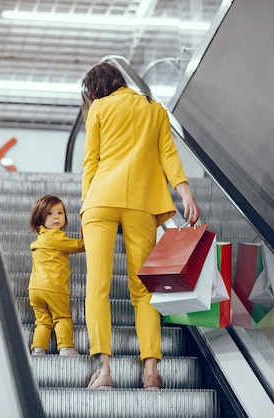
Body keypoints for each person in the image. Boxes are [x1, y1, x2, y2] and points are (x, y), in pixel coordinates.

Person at [79, 62, 200, 390]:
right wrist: (185, 192)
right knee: (144, 291)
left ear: (95, 90)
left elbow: (91, 162)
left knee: (98, 286)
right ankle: (150, 371)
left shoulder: (100, 107)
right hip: (142, 204)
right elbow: (168, 155)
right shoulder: (154, 109)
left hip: (101, 199)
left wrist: (84, 207)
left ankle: (103, 371)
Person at [28, 194, 85, 356]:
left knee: (43, 321)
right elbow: (77, 246)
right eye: (50, 214)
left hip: (35, 289)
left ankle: (38, 348)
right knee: (62, 317)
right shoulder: (56, 236)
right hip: (54, 287)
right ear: (40, 218)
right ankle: (66, 347)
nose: (56, 217)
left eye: (60, 213)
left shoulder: (40, 239)